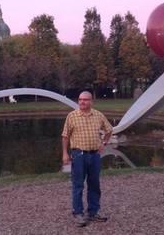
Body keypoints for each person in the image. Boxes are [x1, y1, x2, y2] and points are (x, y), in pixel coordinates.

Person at [61, 91, 113, 227]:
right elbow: (65, 136)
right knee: (78, 185)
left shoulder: (98, 115)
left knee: (94, 185)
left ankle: (93, 212)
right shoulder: (72, 116)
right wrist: (65, 154)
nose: (82, 102)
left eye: (85, 100)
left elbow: (109, 130)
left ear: (91, 101)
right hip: (78, 155)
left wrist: (104, 143)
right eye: (80, 99)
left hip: (95, 155)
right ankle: (78, 213)